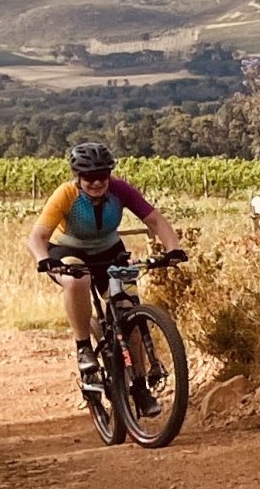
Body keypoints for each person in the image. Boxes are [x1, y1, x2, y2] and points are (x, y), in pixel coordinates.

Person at [28, 141, 184, 389]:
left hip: (110, 251)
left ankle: (139, 383)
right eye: (90, 177)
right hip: (69, 250)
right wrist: (44, 260)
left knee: (128, 309)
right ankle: (83, 348)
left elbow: (154, 220)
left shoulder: (120, 190)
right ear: (78, 177)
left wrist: (173, 248)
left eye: (103, 176)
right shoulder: (66, 194)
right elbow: (37, 237)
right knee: (78, 279)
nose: (98, 183)